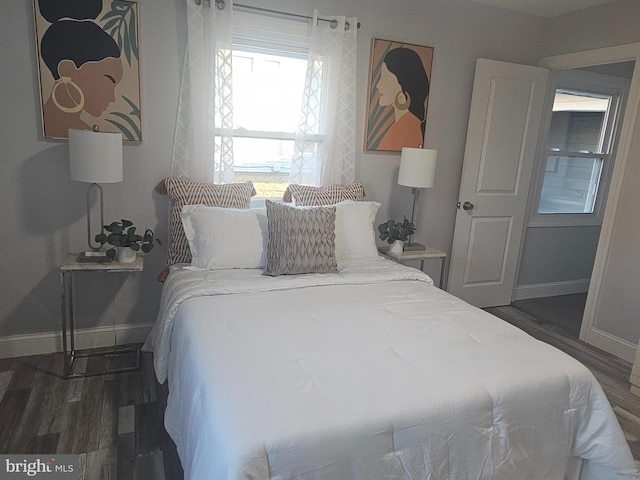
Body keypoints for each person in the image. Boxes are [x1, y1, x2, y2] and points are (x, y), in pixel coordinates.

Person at [38, 0, 122, 138]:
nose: (112, 98)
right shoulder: (82, 135)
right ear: (67, 69)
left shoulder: (87, 132)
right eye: (109, 79)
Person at [376, 47, 429, 151]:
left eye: (386, 79)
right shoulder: (403, 125)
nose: (378, 85)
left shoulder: (408, 127)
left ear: (402, 85)